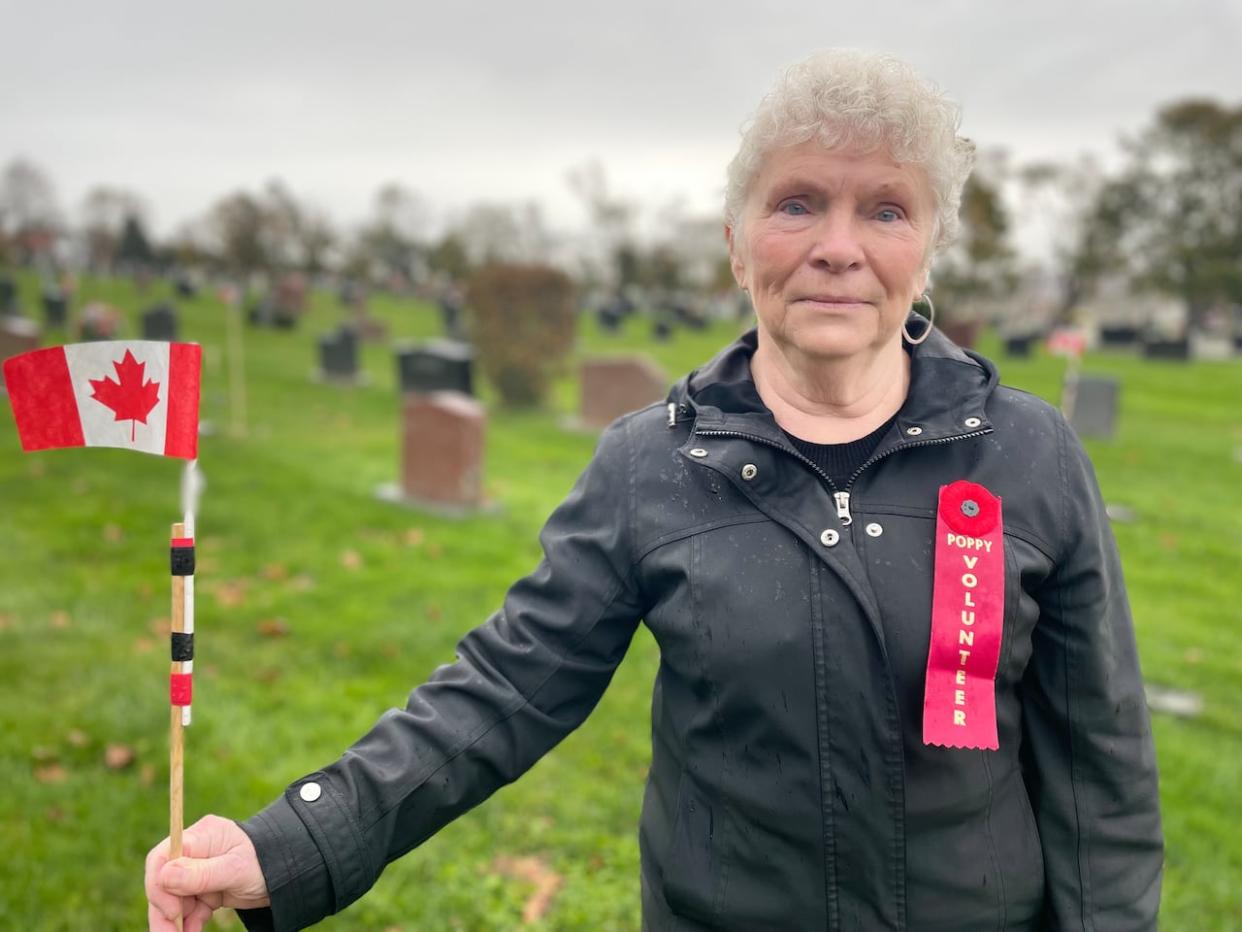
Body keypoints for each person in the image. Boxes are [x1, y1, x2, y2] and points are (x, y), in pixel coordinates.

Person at [146, 49, 1163, 931]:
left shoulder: (1029, 453)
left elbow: (1099, 772)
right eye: (797, 202)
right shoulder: (648, 465)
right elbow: (505, 688)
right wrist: (287, 842)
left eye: (886, 209)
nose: (838, 246)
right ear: (736, 239)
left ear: (929, 246)